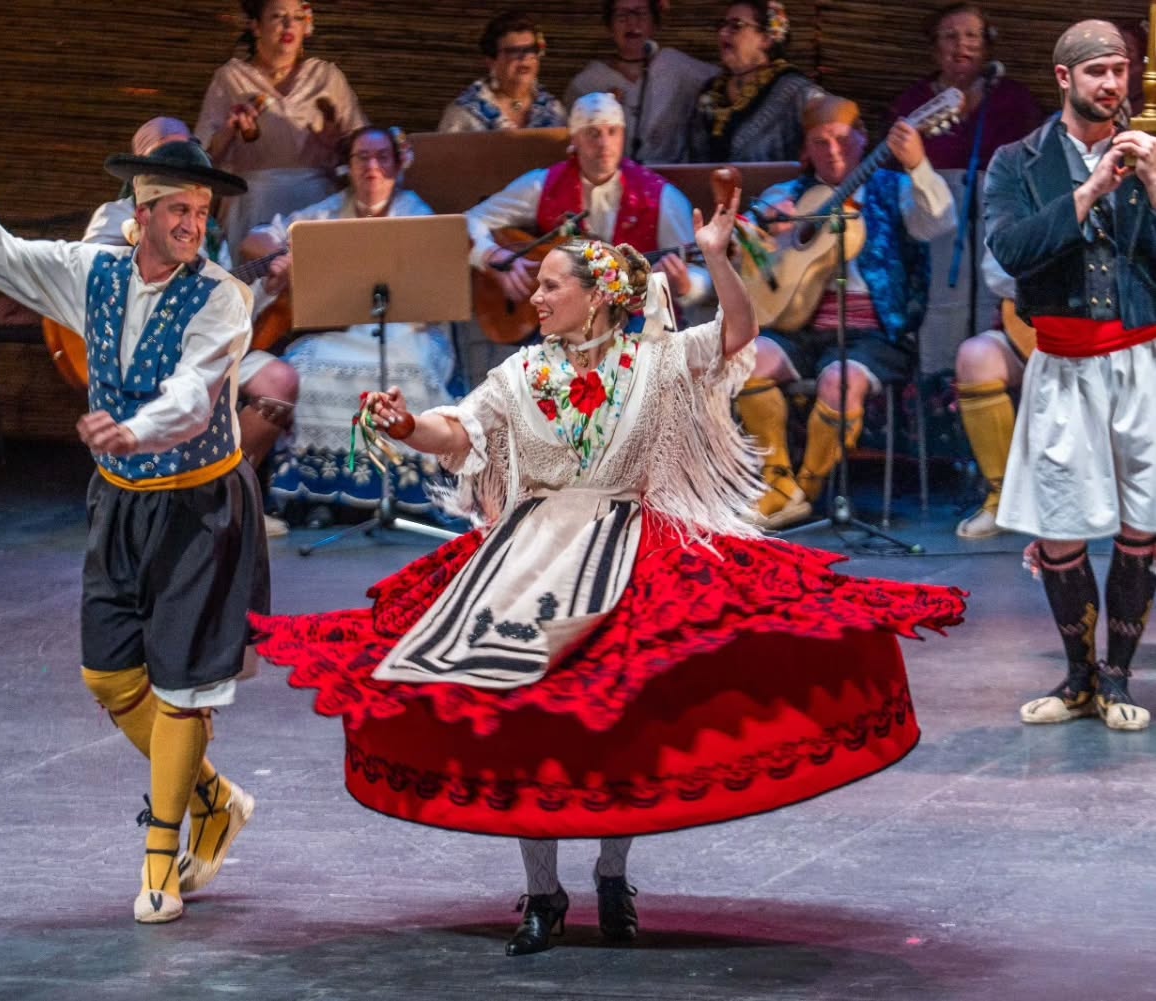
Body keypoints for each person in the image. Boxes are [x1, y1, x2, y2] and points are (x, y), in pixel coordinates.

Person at [250, 196, 965, 956]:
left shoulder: (655, 360)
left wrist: (718, 254)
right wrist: (405, 425)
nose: (537, 295)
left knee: (617, 720)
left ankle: (613, 874)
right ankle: (541, 891)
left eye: (553, 284)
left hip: (626, 550)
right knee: (522, 718)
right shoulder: (521, 371)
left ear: (597, 296)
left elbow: (737, 333)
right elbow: (460, 430)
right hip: (526, 557)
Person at [0, 90, 268, 923]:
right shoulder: (92, 271)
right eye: (177, 209)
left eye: (201, 210)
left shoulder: (223, 297)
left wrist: (133, 429)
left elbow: (191, 396)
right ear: (140, 212)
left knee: (182, 688)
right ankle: (213, 798)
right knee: (109, 675)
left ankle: (160, 861)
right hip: (120, 503)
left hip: (198, 507)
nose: (192, 223)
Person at [984, 20, 1156, 732]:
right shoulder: (1015, 162)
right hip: (1062, 362)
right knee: (1060, 528)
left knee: (1141, 523)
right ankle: (1078, 678)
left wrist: (1150, 176)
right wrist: (1089, 191)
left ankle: (1117, 677)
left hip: (1139, 360)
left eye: (1120, 71)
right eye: (1097, 73)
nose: (1112, 85)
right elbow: (1013, 248)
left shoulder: (1149, 156)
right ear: (1065, 78)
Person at [736, 96, 955, 529]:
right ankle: (777, 483)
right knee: (747, 360)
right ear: (806, 150)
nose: (833, 150)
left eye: (841, 139)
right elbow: (746, 255)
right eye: (820, 142)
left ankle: (806, 491)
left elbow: (940, 221)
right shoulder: (787, 196)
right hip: (800, 329)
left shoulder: (896, 190)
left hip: (876, 335)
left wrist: (917, 165)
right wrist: (764, 239)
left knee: (840, 382)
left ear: (862, 139)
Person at [86, 116, 300, 537]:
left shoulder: (208, 226)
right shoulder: (113, 216)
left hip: (204, 351)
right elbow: (96, 283)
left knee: (280, 381)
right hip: (139, 357)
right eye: (162, 153)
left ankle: (227, 499)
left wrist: (271, 284)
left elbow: (224, 306)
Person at [240, 126, 456, 522]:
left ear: (396, 164)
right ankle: (320, 494)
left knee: (411, 368)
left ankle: (409, 495)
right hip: (337, 332)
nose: (372, 167)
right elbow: (255, 238)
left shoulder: (415, 212)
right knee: (303, 365)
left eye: (382, 157)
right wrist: (278, 256)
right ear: (349, 166)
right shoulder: (323, 214)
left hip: (407, 331)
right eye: (362, 158)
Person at [463, 90, 710, 387]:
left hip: (633, 329)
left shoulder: (660, 197)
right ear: (575, 140)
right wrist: (492, 257)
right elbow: (469, 220)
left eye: (612, 132)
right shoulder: (544, 185)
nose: (604, 143)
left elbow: (701, 272)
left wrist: (686, 285)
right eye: (592, 133)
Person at [195, 0, 366, 252]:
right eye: (277, 16)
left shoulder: (326, 78)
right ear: (256, 26)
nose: (288, 25)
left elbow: (364, 147)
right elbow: (202, 157)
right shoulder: (231, 79)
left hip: (316, 204)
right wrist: (231, 130)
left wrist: (337, 144)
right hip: (252, 203)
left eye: (297, 17)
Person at [888, 3, 1044, 173]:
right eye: (950, 36)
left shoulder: (1015, 100)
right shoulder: (912, 101)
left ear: (986, 48)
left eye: (971, 35)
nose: (961, 43)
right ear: (935, 50)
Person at [563, 0, 715, 163]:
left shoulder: (677, 67)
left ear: (654, 22)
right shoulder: (588, 83)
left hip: (670, 180)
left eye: (640, 13)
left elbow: (721, 82)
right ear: (609, 26)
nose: (632, 22)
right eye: (621, 15)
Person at [688, 0, 822, 164]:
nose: (723, 32)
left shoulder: (796, 91)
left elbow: (833, 125)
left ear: (766, 39)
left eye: (736, 25)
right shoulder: (710, 92)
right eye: (722, 25)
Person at [952, 251, 1026, 539]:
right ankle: (1004, 501)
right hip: (1034, 330)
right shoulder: (1018, 203)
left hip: (1120, 331)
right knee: (976, 357)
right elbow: (997, 268)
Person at [438, 11, 567, 133]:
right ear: (491, 61)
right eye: (513, 52)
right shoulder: (464, 114)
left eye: (531, 49)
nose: (524, 58)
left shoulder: (554, 111)